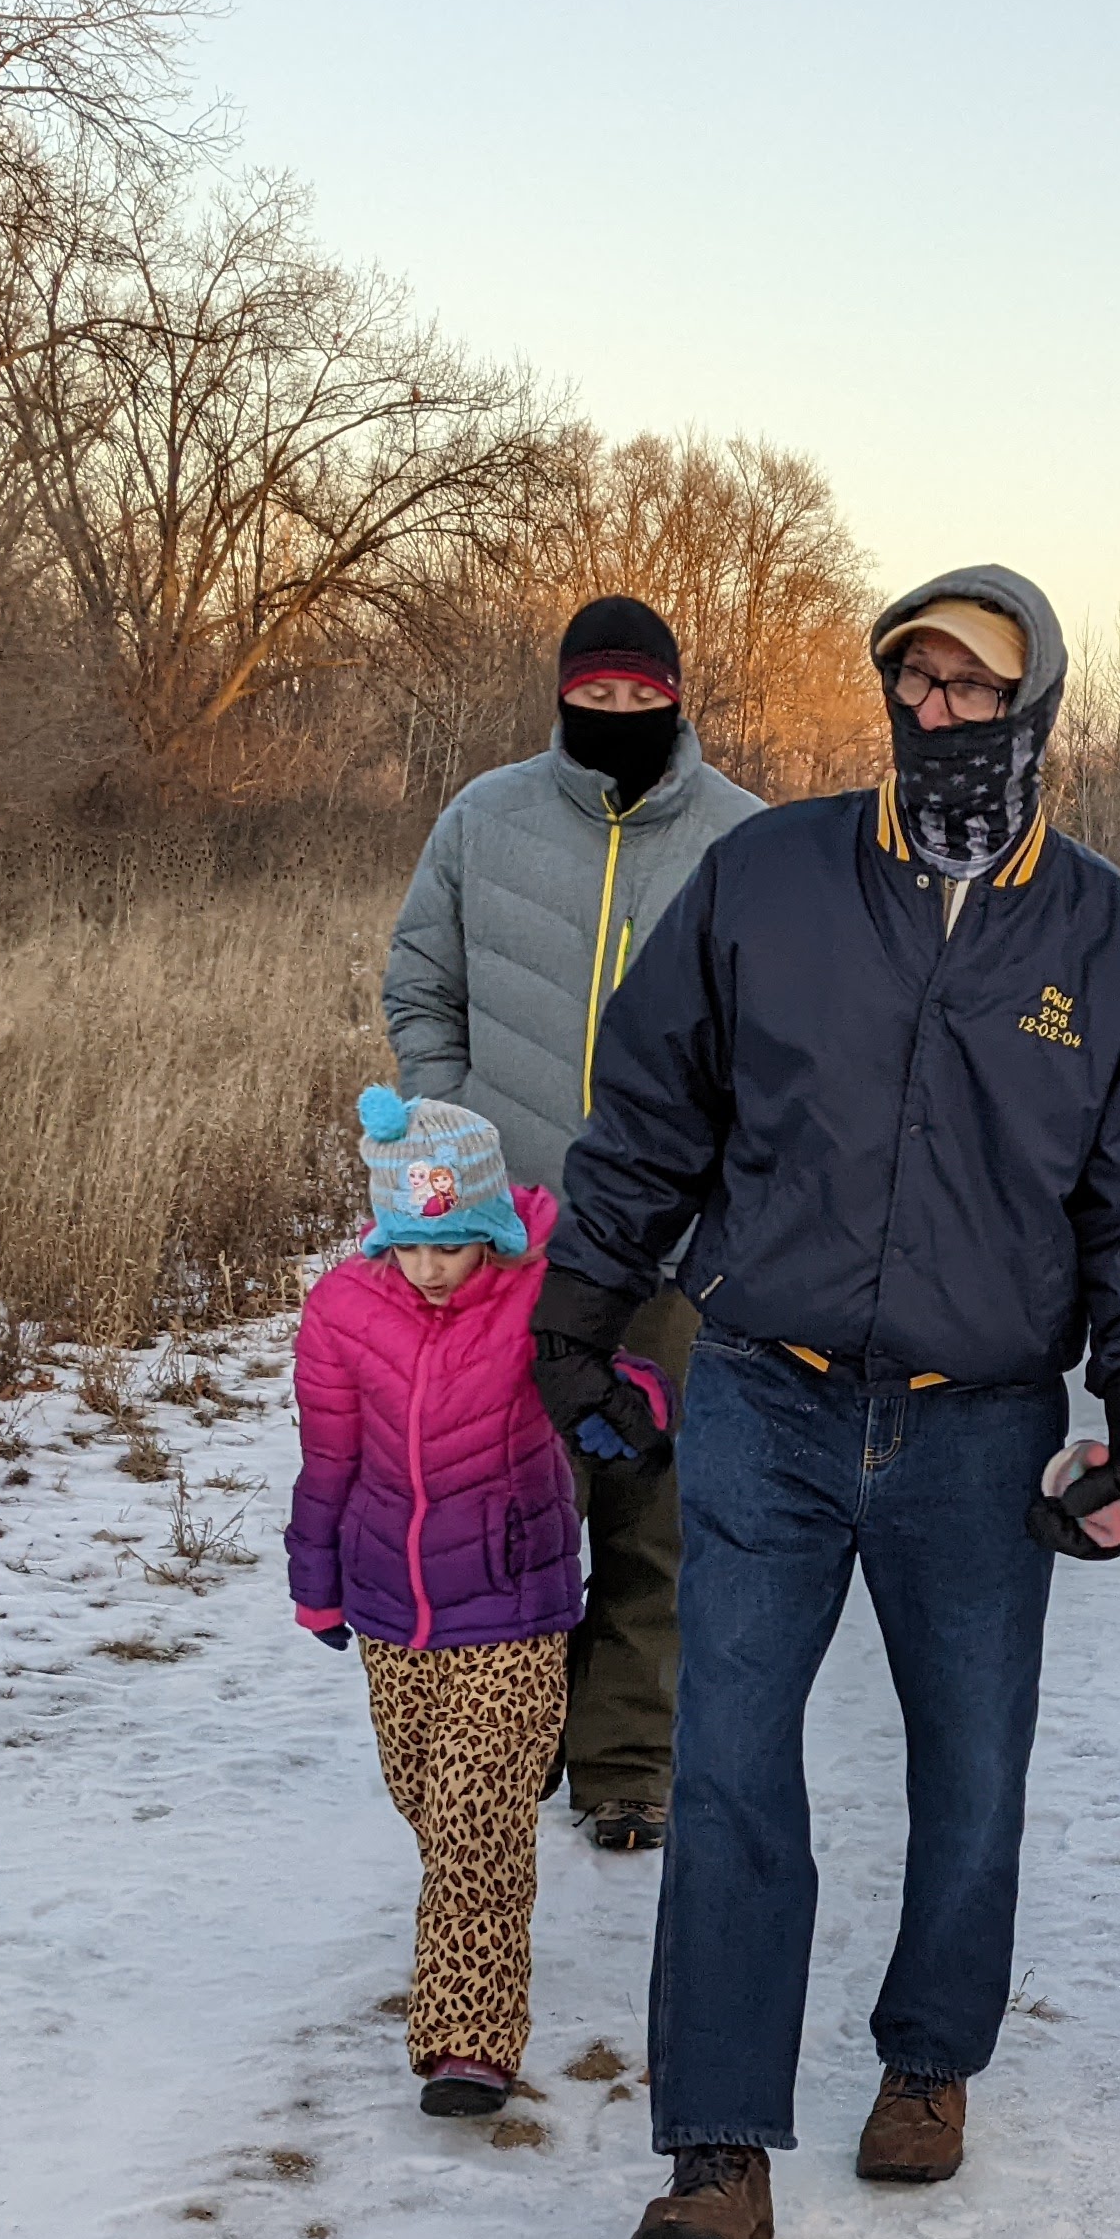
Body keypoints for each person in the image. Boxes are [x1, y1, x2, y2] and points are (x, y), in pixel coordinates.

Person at [539, 566, 1120, 2239]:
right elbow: (648, 1112)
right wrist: (578, 1314)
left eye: (973, 688)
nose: (939, 712)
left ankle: (930, 2055)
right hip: (763, 1395)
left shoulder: (1105, 941)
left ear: (1034, 706)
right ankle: (716, 2152)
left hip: (978, 1423)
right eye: (915, 682)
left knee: (972, 1767)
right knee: (728, 1763)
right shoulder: (766, 880)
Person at [382, 596, 762, 1853]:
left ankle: (627, 1762)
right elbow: (421, 984)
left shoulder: (744, 840)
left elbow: (780, 1039)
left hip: (670, 1248)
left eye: (639, 697)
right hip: (510, 1241)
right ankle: (514, 1737)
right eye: (595, 695)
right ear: (562, 695)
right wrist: (456, 1129)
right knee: (514, 1507)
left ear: (676, 698)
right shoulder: (483, 818)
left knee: (655, 1510)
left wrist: (730, 1182)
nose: (617, 714)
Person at [285, 1088, 660, 2119]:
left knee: (473, 1825)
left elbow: (615, 1376)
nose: (429, 1267)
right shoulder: (342, 1312)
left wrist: (635, 1407)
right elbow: (328, 1461)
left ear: (490, 1227)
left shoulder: (542, 1297)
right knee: (427, 1799)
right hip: (390, 1609)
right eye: (408, 1246)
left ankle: (468, 2041)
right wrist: (316, 1583)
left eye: (450, 1246)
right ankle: (476, 1899)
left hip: (513, 1604)